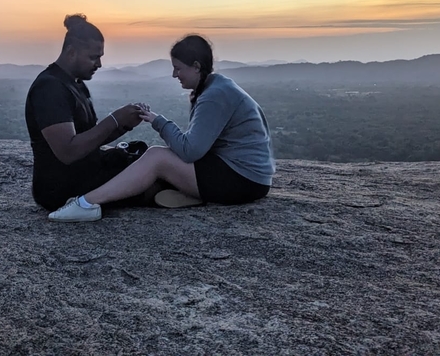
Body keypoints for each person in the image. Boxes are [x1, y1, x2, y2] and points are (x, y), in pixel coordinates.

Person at [48, 33, 275, 222]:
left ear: (196, 67)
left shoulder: (214, 96)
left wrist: (158, 121)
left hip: (244, 180)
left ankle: (88, 203)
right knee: (159, 158)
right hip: (244, 175)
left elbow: (189, 151)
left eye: (178, 68)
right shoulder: (216, 87)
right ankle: (189, 193)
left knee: (157, 156)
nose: (174, 74)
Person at [25, 13, 147, 211]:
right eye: (93, 57)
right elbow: (68, 151)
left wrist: (124, 125)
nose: (98, 64)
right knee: (150, 173)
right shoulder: (49, 88)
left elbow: (89, 139)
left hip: (87, 172)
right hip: (60, 189)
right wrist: (114, 120)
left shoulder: (76, 85)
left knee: (146, 157)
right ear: (71, 52)